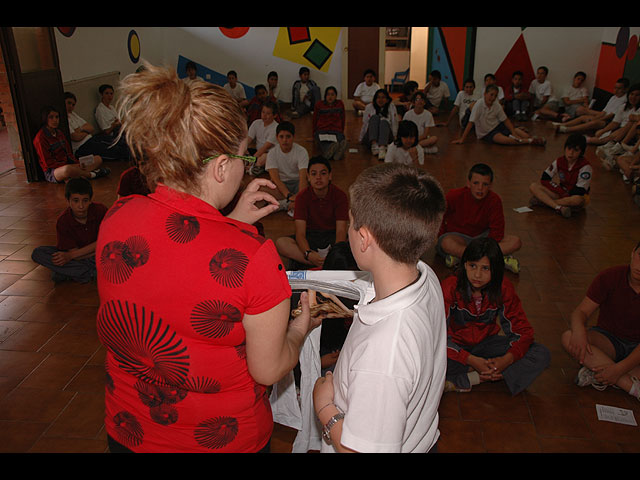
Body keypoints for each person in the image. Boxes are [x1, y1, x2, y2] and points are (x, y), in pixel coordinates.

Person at [96, 63, 319, 453]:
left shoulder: (118, 215)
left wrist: (230, 222)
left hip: (131, 429)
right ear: (220, 167)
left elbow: (175, 262)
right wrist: (301, 328)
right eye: (243, 158)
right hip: (220, 439)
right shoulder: (254, 257)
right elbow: (268, 368)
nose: (245, 168)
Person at [312, 163, 447, 453]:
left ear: (364, 238)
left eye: (350, 223)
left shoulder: (384, 352)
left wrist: (324, 408)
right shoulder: (425, 275)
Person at [442, 237, 550, 395]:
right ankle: (479, 374)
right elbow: (437, 336)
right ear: (464, 264)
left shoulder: (503, 288)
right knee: (425, 358)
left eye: (485, 268)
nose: (477, 274)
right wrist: (469, 359)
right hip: (455, 346)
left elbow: (523, 332)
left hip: (487, 344)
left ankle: (476, 375)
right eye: (472, 266)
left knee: (540, 353)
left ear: (496, 269)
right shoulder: (450, 287)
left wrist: (506, 360)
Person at [561, 241, 640, 401]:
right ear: (633, 253)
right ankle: (631, 386)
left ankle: (597, 370)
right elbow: (581, 311)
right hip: (609, 341)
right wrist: (579, 331)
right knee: (569, 337)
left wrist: (618, 370)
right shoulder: (610, 276)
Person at [437, 163, 522, 274]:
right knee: (446, 243)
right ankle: (494, 258)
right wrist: (441, 235)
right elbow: (440, 216)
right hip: (459, 237)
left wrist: (487, 245)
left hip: (483, 238)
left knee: (515, 242)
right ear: (468, 183)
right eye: (476, 183)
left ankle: (465, 258)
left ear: (490, 186)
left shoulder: (494, 200)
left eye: (485, 184)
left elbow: (497, 229)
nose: (480, 188)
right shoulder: (454, 195)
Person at [275, 156, 348, 269]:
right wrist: (308, 253)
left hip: (332, 236)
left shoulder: (340, 196)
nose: (318, 177)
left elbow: (341, 231)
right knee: (281, 243)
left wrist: (335, 253)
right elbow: (300, 233)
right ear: (308, 177)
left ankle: (325, 262)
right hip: (310, 237)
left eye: (323, 173)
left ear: (330, 176)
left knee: (355, 243)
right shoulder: (302, 197)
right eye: (313, 174)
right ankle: (322, 264)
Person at [31, 177, 108, 283]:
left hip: (100, 255)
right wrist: (72, 255)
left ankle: (70, 273)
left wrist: (70, 256)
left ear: (90, 200)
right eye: (76, 201)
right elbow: (74, 254)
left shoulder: (100, 210)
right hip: (80, 256)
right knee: (39, 253)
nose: (81, 206)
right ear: (68, 201)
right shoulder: (63, 221)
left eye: (85, 200)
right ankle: (90, 273)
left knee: (115, 253)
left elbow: (107, 241)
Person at [32, 106, 108, 183]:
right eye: (51, 117)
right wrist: (72, 166)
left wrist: (77, 164)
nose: (55, 120)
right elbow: (48, 163)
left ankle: (77, 175)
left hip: (70, 164)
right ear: (45, 119)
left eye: (57, 117)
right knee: (67, 170)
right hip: (54, 170)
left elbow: (68, 153)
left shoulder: (59, 133)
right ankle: (91, 174)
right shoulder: (40, 138)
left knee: (98, 159)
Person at [451, 85, 546, 146]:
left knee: (520, 133)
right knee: (506, 141)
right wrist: (462, 139)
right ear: (485, 94)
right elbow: (471, 123)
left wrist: (513, 132)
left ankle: (531, 138)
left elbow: (505, 120)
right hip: (486, 132)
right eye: (491, 95)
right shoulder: (479, 104)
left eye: (495, 96)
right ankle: (530, 141)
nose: (493, 98)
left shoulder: (496, 105)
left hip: (498, 126)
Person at [528, 133, 592, 219]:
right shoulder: (559, 161)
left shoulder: (585, 167)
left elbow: (580, 191)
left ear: (581, 152)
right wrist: (559, 190)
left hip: (575, 196)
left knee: (577, 200)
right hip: (561, 193)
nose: (571, 153)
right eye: (569, 148)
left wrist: (563, 194)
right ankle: (558, 207)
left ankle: (545, 202)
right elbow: (545, 178)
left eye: (576, 150)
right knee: (533, 186)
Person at [64, 91, 129, 161]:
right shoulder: (64, 120)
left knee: (117, 141)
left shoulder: (73, 114)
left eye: (73, 105)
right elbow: (76, 137)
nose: (71, 106)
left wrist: (80, 130)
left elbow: (91, 128)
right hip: (82, 147)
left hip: (91, 138)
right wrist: (86, 131)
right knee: (114, 149)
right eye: (69, 103)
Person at [553, 78, 629, 134]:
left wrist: (597, 119)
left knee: (593, 123)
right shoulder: (613, 97)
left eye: (619, 88)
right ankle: (563, 124)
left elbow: (611, 115)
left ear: (625, 89)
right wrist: (596, 117)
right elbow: (604, 111)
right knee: (584, 117)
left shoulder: (624, 100)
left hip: (610, 121)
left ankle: (567, 129)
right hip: (603, 117)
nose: (616, 90)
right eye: (615, 88)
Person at [590, 84, 640, 167]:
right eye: (632, 94)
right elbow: (615, 122)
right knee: (601, 135)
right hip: (620, 131)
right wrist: (603, 131)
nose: (633, 97)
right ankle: (612, 151)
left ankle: (613, 148)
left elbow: (634, 119)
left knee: (603, 139)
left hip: (631, 135)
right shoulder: (623, 106)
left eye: (637, 95)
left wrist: (634, 118)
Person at [265, 121, 309, 213]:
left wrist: (298, 197)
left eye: (288, 136)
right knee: (261, 189)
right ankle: (290, 203)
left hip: (298, 184)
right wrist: (289, 196)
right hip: (281, 186)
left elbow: (303, 178)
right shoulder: (272, 153)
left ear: (294, 137)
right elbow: (276, 179)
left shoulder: (302, 151)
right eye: (281, 137)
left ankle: (284, 204)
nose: (285, 140)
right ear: (277, 137)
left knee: (314, 189)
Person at [358, 88, 399, 160]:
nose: (380, 100)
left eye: (383, 97)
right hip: (371, 136)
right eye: (378, 97)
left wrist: (395, 137)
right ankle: (374, 145)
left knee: (384, 121)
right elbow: (365, 124)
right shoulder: (369, 107)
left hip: (386, 136)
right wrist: (361, 138)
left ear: (387, 99)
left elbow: (394, 123)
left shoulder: (391, 107)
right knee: (374, 118)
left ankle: (382, 148)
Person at [312, 86, 347, 161]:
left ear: (336, 96)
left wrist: (342, 131)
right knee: (323, 141)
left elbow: (343, 118)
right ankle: (329, 150)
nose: (330, 97)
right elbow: (315, 119)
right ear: (325, 96)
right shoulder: (319, 105)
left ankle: (338, 152)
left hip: (336, 129)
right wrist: (314, 132)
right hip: (322, 129)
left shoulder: (340, 104)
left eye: (332, 94)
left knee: (340, 139)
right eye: (328, 94)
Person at [246, 100, 279, 175]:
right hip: (258, 152)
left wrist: (252, 159)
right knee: (243, 152)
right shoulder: (256, 123)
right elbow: (248, 139)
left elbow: (265, 147)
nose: (264, 115)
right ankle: (252, 166)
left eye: (268, 113)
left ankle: (255, 168)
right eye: (263, 112)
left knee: (263, 158)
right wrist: (244, 150)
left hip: (269, 153)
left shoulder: (275, 128)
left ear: (274, 115)